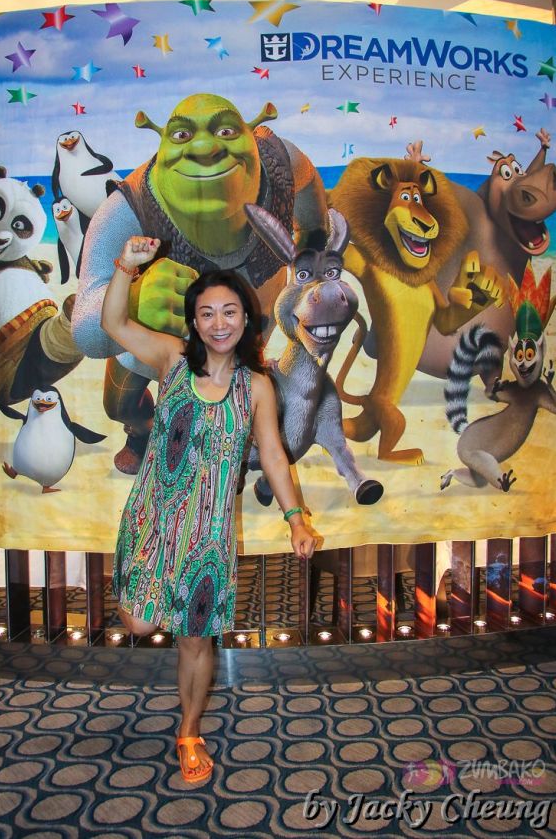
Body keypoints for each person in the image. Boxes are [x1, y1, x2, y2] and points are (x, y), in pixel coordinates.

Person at [101, 236, 317, 784]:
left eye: (229, 312)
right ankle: (135, 588)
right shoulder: (172, 360)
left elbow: (273, 455)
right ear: (194, 322)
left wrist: (296, 520)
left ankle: (189, 731)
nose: (219, 323)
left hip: (209, 536)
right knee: (139, 620)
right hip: (153, 520)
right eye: (207, 314)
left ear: (246, 319)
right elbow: (114, 324)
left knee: (195, 639)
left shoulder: (256, 387)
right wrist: (126, 267)